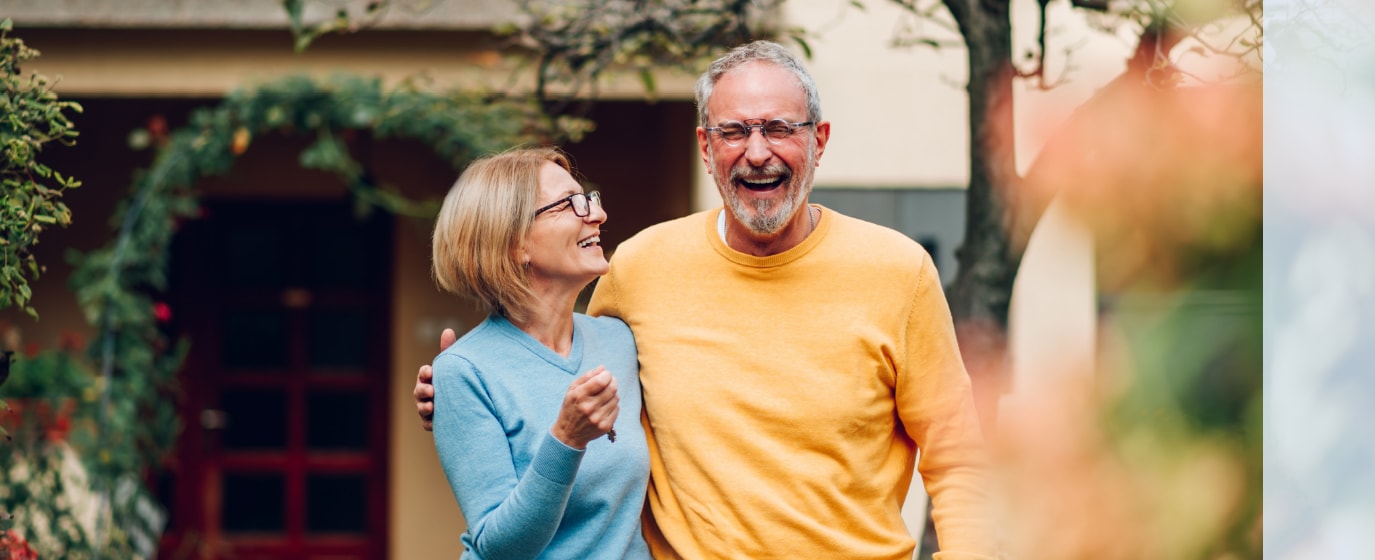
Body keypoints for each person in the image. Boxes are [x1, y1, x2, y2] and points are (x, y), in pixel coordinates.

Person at [418, 41, 997, 559]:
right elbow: (565, 385)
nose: (757, 151)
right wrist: (461, 393)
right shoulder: (639, 269)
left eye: (778, 128)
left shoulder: (898, 271)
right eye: (734, 131)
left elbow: (958, 456)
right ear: (704, 145)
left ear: (818, 140)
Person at [427, 147, 650, 560]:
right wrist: (566, 439)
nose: (597, 215)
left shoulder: (621, 341)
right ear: (514, 244)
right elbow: (500, 548)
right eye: (570, 204)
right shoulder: (464, 372)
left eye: (590, 198)